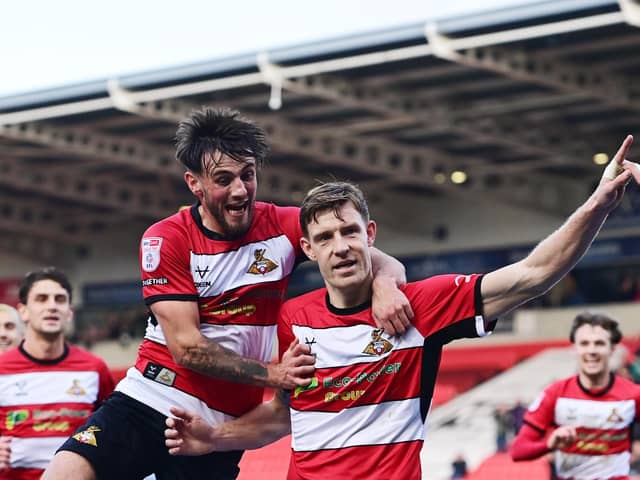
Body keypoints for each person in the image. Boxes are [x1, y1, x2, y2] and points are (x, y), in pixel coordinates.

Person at [163, 135, 640, 480]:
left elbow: (533, 274)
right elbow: (287, 414)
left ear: (370, 236)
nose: (341, 247)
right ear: (307, 249)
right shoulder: (294, 318)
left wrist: (597, 205)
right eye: (325, 238)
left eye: (350, 232)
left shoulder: (423, 306)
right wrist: (213, 438)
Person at [43, 107, 411, 480]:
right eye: (223, 179)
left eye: (247, 175)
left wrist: (384, 286)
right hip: (151, 395)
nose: (240, 190)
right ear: (194, 183)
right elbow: (186, 347)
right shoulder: (167, 238)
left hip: (219, 428)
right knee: (64, 473)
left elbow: (373, 255)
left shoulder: (284, 225)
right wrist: (274, 373)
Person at [0, 267, 114, 480]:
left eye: (60, 299)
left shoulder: (95, 368)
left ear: (69, 312)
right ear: (23, 311)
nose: (52, 306)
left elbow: (113, 430)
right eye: (42, 299)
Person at [510, 311, 640, 480]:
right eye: (585, 343)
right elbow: (518, 450)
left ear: (612, 348)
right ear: (575, 348)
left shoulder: (633, 394)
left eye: (599, 343)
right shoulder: (555, 394)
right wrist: (550, 444)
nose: (591, 350)